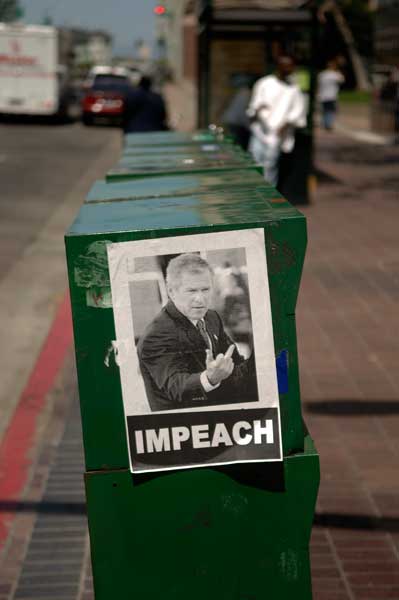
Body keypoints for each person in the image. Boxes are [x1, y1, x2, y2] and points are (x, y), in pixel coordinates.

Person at [137, 253, 257, 412]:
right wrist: (209, 378)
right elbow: (176, 387)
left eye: (205, 289)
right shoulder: (155, 336)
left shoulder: (212, 317)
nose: (200, 299)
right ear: (171, 292)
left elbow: (236, 364)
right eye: (191, 291)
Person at [247, 55, 307, 186]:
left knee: (270, 165)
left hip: (277, 134)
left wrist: (285, 125)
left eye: (291, 66)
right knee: (255, 162)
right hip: (259, 131)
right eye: (287, 66)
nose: (290, 69)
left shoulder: (294, 89)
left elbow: (297, 113)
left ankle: (268, 195)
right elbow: (254, 106)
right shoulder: (264, 83)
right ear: (279, 67)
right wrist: (256, 111)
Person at [317, 59, 345, 131]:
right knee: (331, 110)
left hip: (322, 95)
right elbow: (342, 80)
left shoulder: (322, 74)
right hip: (332, 96)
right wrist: (338, 71)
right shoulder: (335, 75)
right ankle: (328, 124)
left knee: (324, 110)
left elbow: (318, 84)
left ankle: (325, 123)